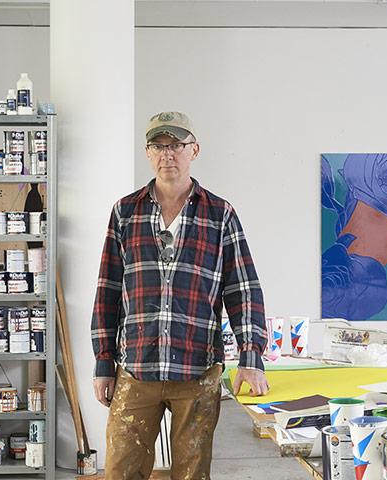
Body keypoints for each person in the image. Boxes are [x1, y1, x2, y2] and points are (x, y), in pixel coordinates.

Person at [91, 111, 269, 480]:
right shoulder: (125, 212)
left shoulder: (220, 215)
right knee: (120, 471)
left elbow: (243, 290)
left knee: (192, 474)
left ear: (194, 150)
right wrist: (103, 363)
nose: (166, 154)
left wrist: (251, 356)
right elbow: (107, 290)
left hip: (198, 369)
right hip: (137, 367)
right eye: (158, 146)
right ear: (147, 151)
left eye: (176, 145)